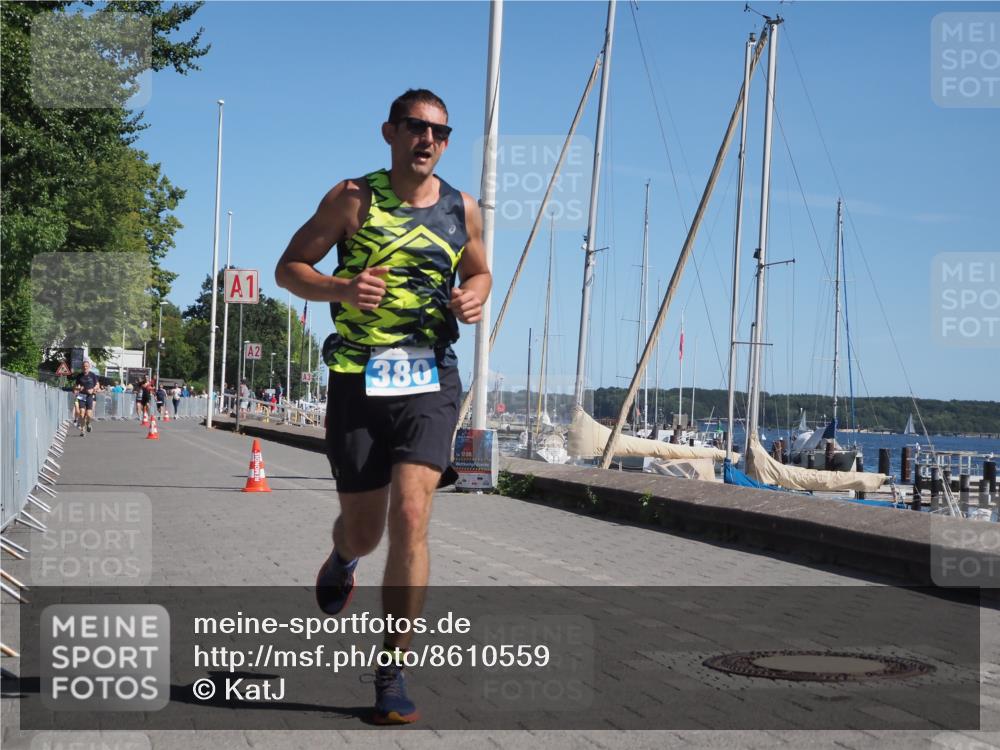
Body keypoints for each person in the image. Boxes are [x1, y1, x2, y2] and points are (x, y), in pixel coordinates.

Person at [275, 88, 490, 725]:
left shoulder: (462, 208)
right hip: (358, 378)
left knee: (413, 513)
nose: (427, 139)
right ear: (390, 133)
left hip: (431, 378)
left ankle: (391, 670)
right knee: (365, 531)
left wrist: (473, 296)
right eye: (414, 128)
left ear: (446, 142)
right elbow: (290, 268)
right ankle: (343, 557)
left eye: (439, 132)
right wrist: (342, 285)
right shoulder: (353, 198)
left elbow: (479, 271)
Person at [72, 360, 102, 436]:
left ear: (89, 367)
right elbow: (75, 386)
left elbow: (97, 385)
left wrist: (93, 389)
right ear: (82, 367)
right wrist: (79, 389)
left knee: (89, 415)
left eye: (86, 366)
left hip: (89, 396)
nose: (85, 368)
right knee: (82, 413)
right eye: (84, 366)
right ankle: (82, 430)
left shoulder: (93, 375)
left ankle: (88, 423)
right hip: (81, 396)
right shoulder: (79, 376)